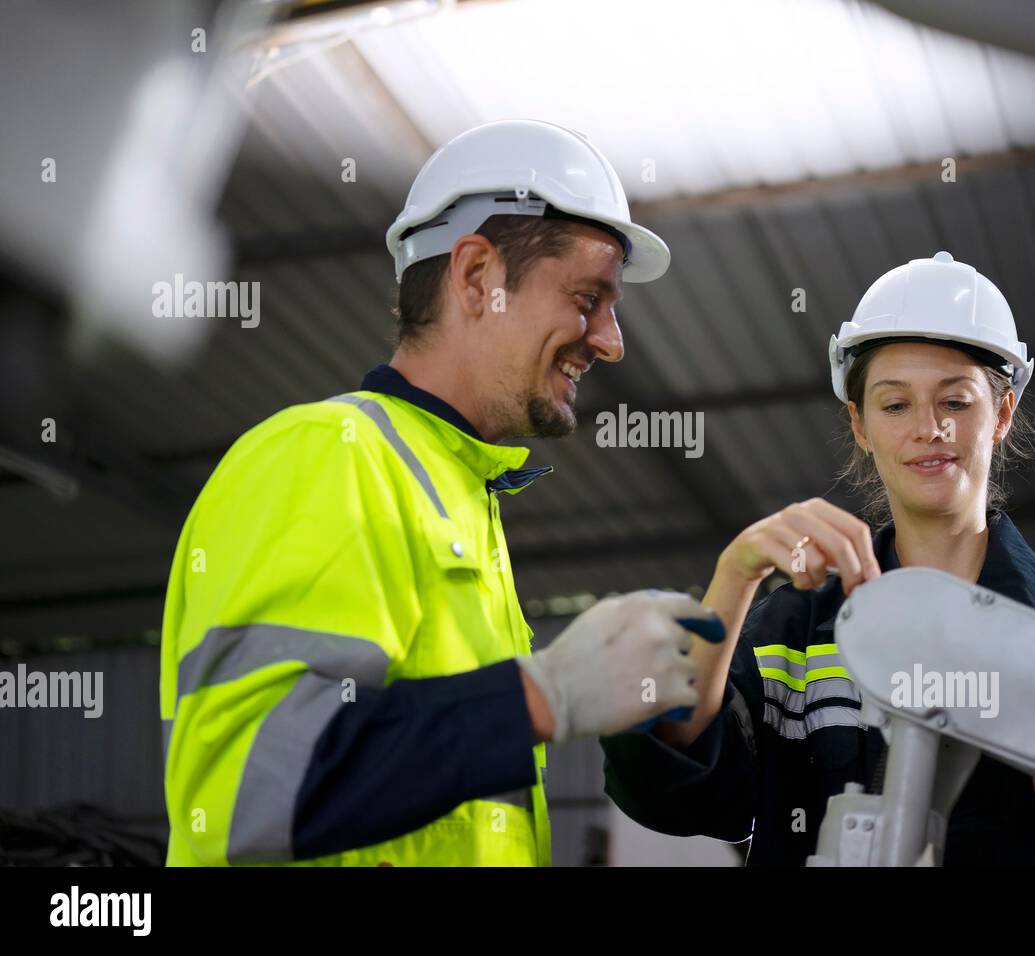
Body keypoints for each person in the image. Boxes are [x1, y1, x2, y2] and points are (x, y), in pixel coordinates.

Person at [159, 119, 720, 866]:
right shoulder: (330, 455)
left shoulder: (461, 493)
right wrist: (540, 694)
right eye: (589, 296)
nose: (611, 340)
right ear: (477, 275)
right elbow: (245, 793)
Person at [601, 251, 1035, 867]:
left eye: (956, 402)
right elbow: (677, 796)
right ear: (861, 424)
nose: (929, 429)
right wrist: (735, 575)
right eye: (895, 405)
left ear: (1001, 414)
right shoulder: (789, 635)